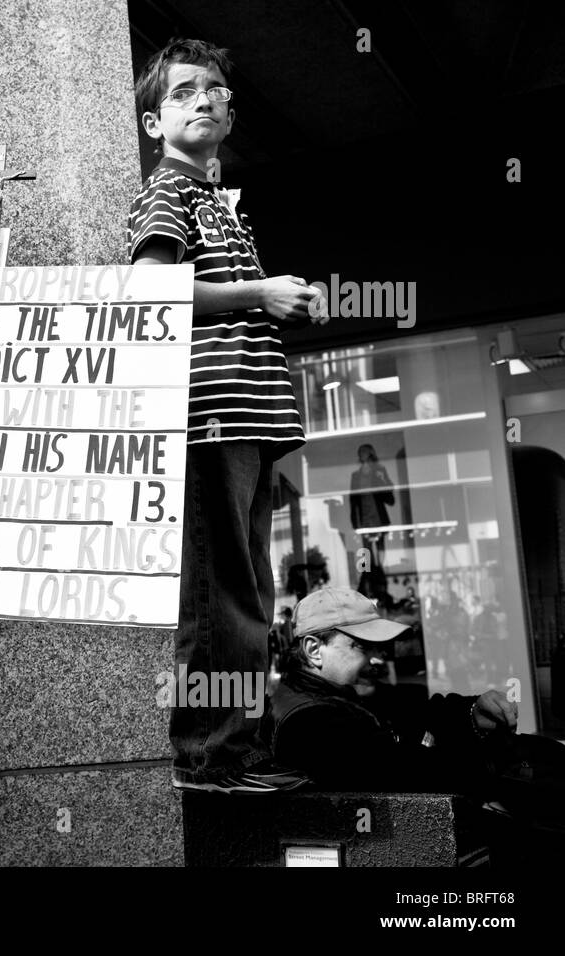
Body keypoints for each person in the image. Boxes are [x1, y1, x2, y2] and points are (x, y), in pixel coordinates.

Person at [126, 38, 325, 792]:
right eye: (182, 92)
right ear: (153, 123)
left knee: (243, 597)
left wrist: (271, 300)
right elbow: (148, 290)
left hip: (243, 422)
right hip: (207, 421)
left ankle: (233, 751)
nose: (204, 99)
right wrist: (261, 293)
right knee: (219, 599)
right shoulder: (167, 192)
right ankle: (211, 756)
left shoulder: (214, 202)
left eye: (214, 90)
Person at [267, 586, 518, 793]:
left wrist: (472, 711)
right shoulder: (311, 722)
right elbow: (411, 775)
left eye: (380, 647)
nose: (378, 659)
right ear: (314, 650)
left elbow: (417, 709)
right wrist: (494, 763)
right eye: (363, 646)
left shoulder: (345, 693)